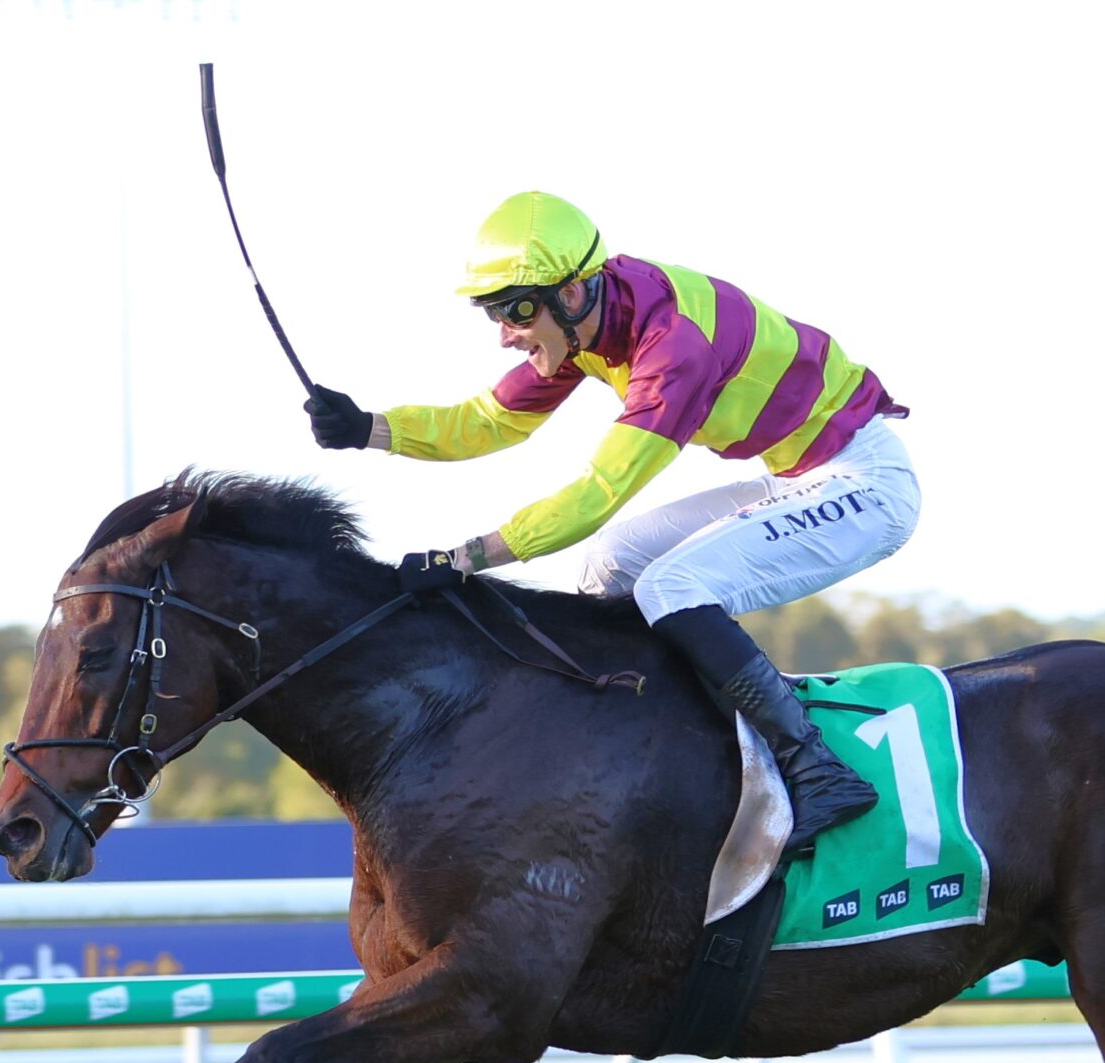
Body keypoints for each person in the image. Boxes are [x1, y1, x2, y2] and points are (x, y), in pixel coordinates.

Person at [303, 192, 917, 854]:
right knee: (611, 563)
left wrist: (464, 559)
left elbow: (599, 492)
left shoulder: (673, 347)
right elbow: (491, 420)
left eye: (516, 311)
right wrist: (370, 428)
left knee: (670, 586)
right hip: (797, 476)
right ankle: (646, 744)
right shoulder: (593, 317)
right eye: (494, 313)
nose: (506, 334)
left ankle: (814, 767)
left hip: (866, 486)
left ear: (570, 293)